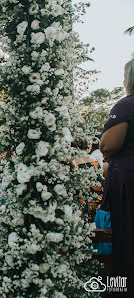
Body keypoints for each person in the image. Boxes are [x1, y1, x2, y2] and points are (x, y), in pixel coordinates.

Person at [99, 58, 134, 290]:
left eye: (124, 76)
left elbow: (108, 145)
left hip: (128, 181)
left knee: (127, 237)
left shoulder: (126, 105)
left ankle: (124, 286)